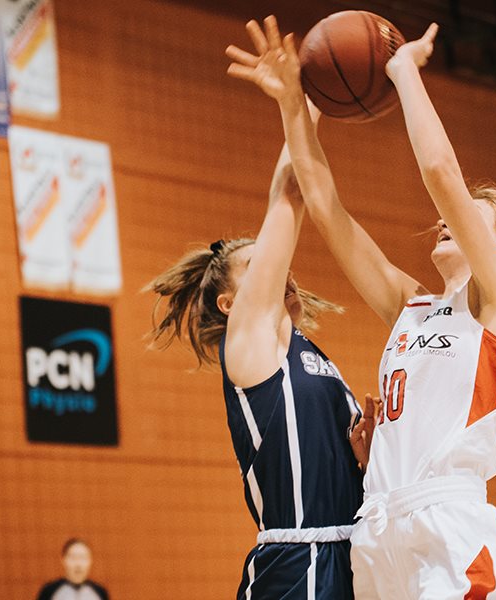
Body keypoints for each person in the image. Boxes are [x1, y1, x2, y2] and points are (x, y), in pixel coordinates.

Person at [226, 17, 496, 599]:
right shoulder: (411, 305)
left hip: (449, 521)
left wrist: (402, 74)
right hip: (374, 526)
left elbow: (441, 175)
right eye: (452, 215)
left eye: (473, 215)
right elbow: (323, 207)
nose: (450, 218)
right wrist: (295, 105)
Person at [147, 67, 374, 596]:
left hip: (352, 549)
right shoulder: (248, 345)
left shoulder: (308, 352)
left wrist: (363, 457)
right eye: (255, 267)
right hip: (298, 559)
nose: (277, 267)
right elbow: (288, 197)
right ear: (229, 303)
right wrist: (306, 98)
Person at [34, 539, 109, 600]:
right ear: (63, 560)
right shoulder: (49, 591)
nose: (78, 564)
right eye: (73, 557)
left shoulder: (100, 592)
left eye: (83, 558)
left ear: (90, 561)